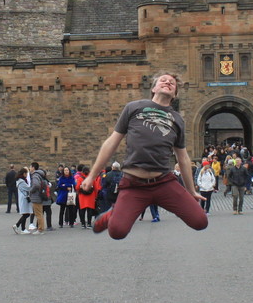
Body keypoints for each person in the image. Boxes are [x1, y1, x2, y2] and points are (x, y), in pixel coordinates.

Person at [79, 72, 208, 239]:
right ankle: (112, 214)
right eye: (163, 80)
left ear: (175, 94)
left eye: (172, 83)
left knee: (200, 221)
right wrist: (91, 176)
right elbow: (111, 143)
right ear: (154, 88)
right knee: (117, 232)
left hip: (164, 183)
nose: (168, 82)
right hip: (134, 184)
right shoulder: (133, 108)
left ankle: (119, 213)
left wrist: (191, 190)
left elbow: (182, 157)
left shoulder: (177, 120)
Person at [13, 168, 34, 234]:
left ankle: (21, 227)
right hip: (24, 198)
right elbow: (28, 188)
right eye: (26, 173)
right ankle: (19, 226)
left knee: (26, 213)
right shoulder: (21, 181)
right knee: (26, 213)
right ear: (24, 174)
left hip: (23, 198)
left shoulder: (20, 180)